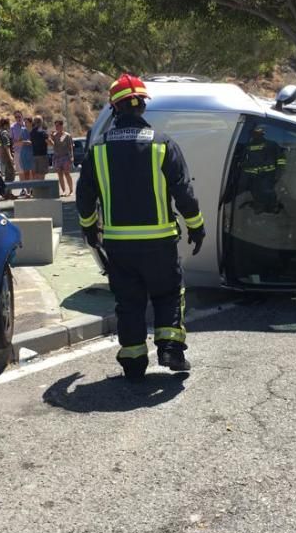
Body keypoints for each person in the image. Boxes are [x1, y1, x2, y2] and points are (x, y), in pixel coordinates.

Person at [76, 73, 205, 380]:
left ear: (114, 107)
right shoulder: (163, 145)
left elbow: (84, 197)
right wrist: (196, 226)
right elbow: (183, 192)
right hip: (160, 242)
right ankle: (171, 349)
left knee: (129, 301)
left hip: (119, 245)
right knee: (169, 293)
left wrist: (89, 229)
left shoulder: (98, 149)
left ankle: (133, 360)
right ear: (142, 107)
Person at [51, 117, 74, 196]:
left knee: (67, 173)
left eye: (58, 125)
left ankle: (71, 190)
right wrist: (51, 137)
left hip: (65, 157)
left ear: (61, 126)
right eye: (56, 126)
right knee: (59, 174)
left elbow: (70, 147)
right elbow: (52, 145)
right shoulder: (54, 135)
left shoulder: (67, 135)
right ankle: (63, 190)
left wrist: (71, 156)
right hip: (57, 157)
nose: (56, 127)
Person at [30, 115, 50, 180]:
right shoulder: (43, 132)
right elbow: (49, 143)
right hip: (42, 156)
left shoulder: (32, 132)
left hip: (34, 156)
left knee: (36, 174)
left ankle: (36, 189)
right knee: (42, 174)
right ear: (41, 122)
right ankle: (41, 189)